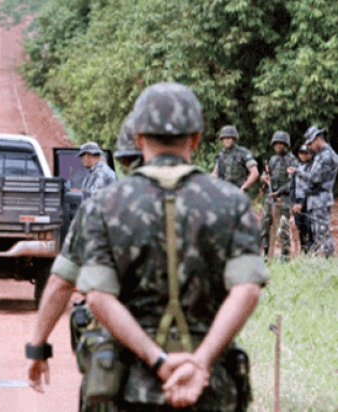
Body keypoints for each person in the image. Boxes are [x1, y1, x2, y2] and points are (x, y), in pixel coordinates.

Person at [76, 83, 268, 411]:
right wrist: (201, 362)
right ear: (195, 139)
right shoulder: (232, 203)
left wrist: (159, 360)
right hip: (210, 388)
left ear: (138, 140)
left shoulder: (105, 205)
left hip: (130, 387)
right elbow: (247, 290)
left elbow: (98, 297)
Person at [27, 112, 139, 412]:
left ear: (95, 156)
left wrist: (38, 345)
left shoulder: (103, 175)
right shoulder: (97, 176)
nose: (83, 161)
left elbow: (60, 281)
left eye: (85, 157)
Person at [288, 126, 338, 257]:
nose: (310, 146)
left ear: (317, 139)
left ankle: (328, 262)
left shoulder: (327, 155)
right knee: (316, 234)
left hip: (321, 199)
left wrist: (298, 172)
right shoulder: (320, 154)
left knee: (322, 233)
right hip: (315, 200)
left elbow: (315, 178)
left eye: (310, 143)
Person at [259, 131, 298, 258]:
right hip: (270, 198)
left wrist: (279, 192)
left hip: (284, 199)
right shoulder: (273, 159)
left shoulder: (292, 160)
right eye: (276, 143)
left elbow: (294, 182)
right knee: (264, 225)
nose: (278, 146)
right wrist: (263, 178)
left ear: (286, 145)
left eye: (281, 143)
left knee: (283, 228)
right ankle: (266, 253)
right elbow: (267, 174)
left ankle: (285, 256)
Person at [211, 126, 259, 193]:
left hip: (238, 192)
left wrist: (244, 188)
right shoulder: (221, 155)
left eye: (228, 138)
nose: (226, 140)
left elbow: (254, 173)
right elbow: (215, 173)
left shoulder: (243, 153)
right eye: (224, 138)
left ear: (234, 138)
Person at [290, 144, 315, 253]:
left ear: (311, 154)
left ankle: (311, 255)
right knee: (300, 230)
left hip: (309, 202)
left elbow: (312, 187)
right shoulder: (296, 166)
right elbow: (292, 186)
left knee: (309, 229)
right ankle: (304, 253)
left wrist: (302, 204)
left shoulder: (314, 167)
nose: (303, 155)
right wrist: (293, 203)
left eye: (306, 153)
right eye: (301, 153)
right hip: (297, 202)